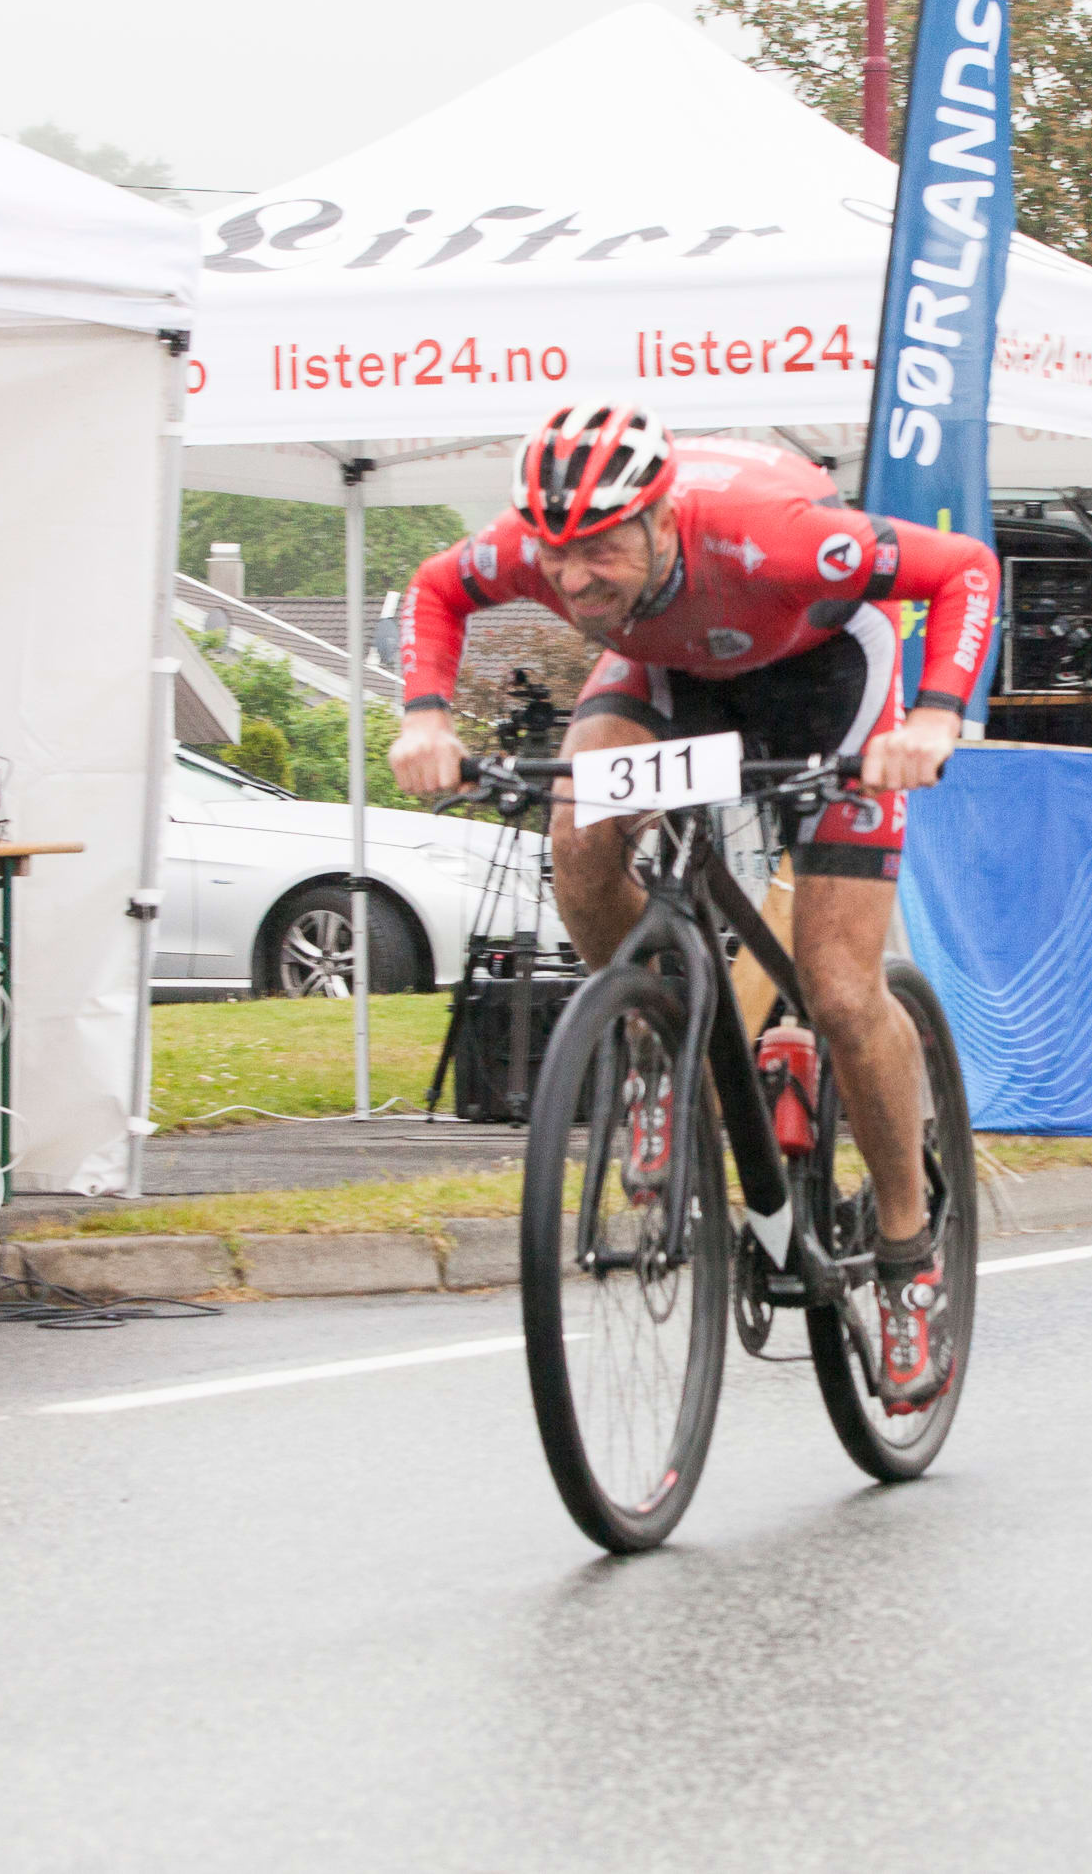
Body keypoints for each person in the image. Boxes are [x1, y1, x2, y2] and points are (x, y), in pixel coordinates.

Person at [390, 404, 998, 1408]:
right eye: (555, 554)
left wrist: (934, 719)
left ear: (663, 519)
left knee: (841, 990)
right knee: (579, 837)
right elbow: (435, 588)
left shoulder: (779, 537)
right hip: (673, 674)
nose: (571, 578)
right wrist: (424, 716)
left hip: (826, 677)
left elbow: (964, 568)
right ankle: (657, 1049)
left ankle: (906, 1255)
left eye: (599, 548)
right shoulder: (538, 551)